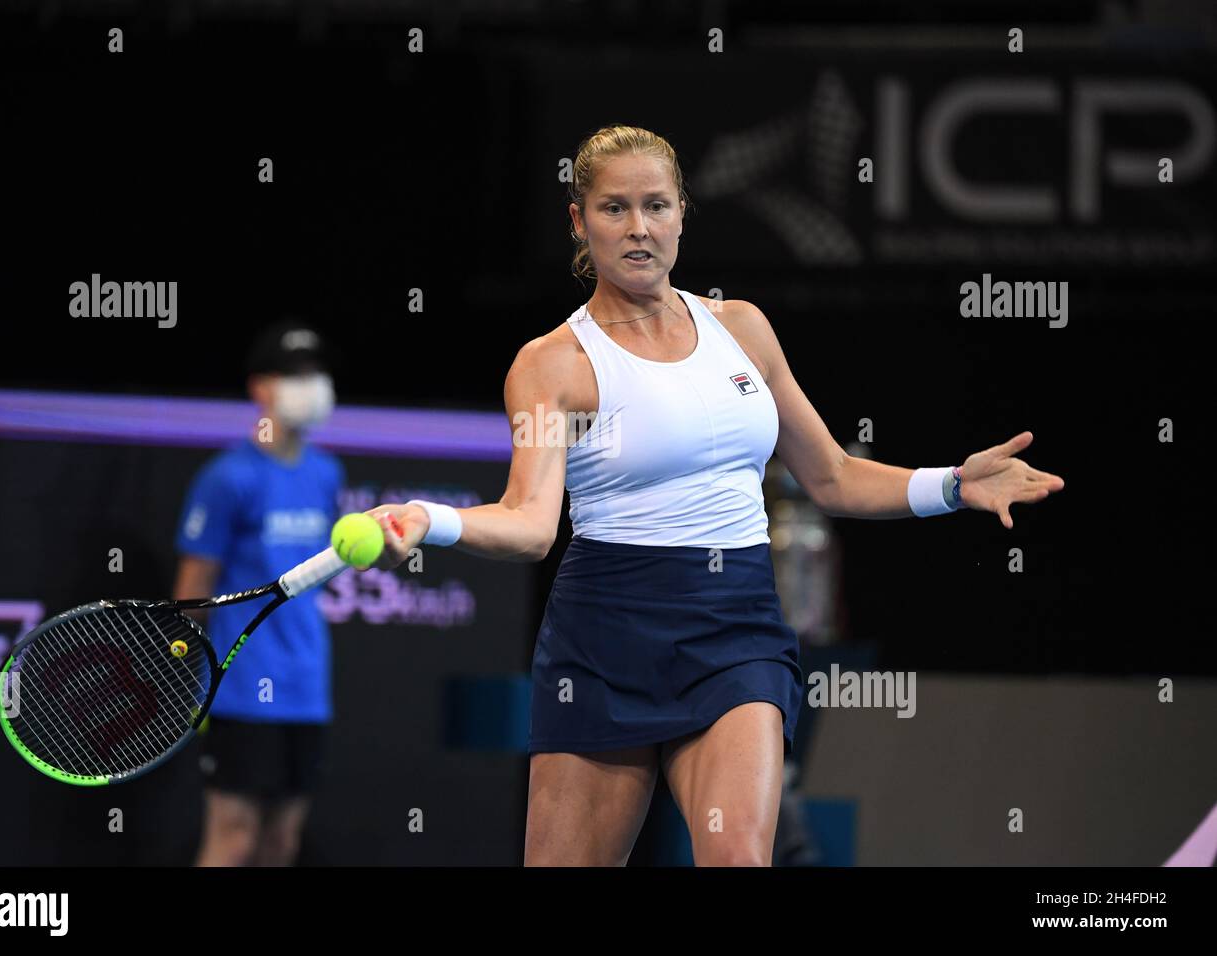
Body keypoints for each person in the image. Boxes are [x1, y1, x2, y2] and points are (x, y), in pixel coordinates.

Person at [363, 124, 1064, 866]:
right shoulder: (551, 365)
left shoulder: (744, 330)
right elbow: (531, 524)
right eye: (614, 209)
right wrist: (431, 519)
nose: (639, 228)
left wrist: (952, 484)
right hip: (604, 638)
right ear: (579, 220)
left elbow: (831, 476)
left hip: (737, 631)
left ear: (683, 213)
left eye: (657, 206)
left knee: (737, 858)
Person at [173, 318, 345, 866]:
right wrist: (195, 684)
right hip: (241, 686)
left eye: (315, 372)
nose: (309, 384)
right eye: (292, 373)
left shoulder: (326, 473)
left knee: (281, 844)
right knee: (234, 838)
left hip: (307, 687)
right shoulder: (227, 478)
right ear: (259, 388)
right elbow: (192, 594)